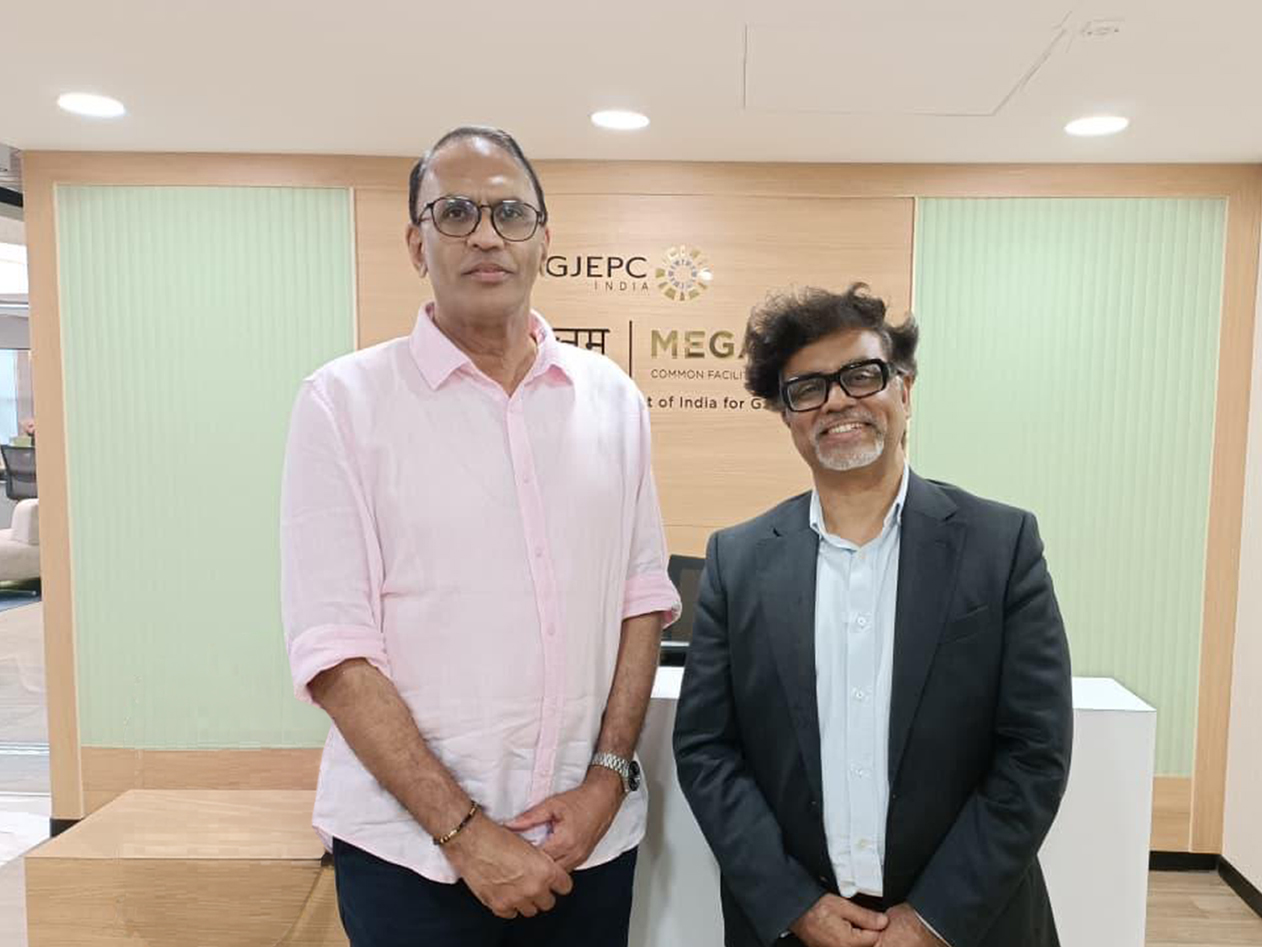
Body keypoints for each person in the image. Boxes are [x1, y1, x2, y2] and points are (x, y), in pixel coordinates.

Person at [280, 125, 680, 947]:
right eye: (456, 212)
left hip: (588, 845)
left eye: (510, 212)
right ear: (416, 244)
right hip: (410, 860)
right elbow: (334, 650)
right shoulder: (343, 403)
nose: (487, 234)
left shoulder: (613, 400)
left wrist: (607, 780)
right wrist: (465, 833)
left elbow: (641, 600)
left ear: (544, 239)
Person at [673, 284, 1072, 947]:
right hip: (794, 929)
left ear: (904, 391)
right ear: (788, 417)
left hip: (969, 926)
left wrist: (933, 919)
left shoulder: (1001, 546)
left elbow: (1035, 751)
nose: (837, 400)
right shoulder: (736, 561)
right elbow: (706, 750)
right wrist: (794, 903)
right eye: (808, 388)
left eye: (861, 375)